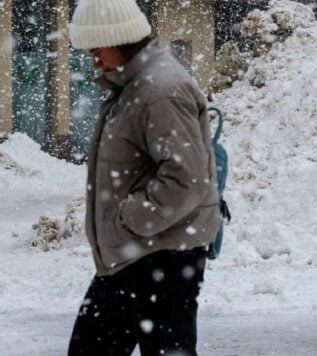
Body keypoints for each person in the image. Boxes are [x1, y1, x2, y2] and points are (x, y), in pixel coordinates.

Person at [66, 0, 221, 355]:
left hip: (162, 254)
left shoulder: (160, 91)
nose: (94, 61)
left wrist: (131, 218)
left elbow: (186, 179)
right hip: (134, 253)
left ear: (121, 40)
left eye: (97, 50)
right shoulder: (132, 87)